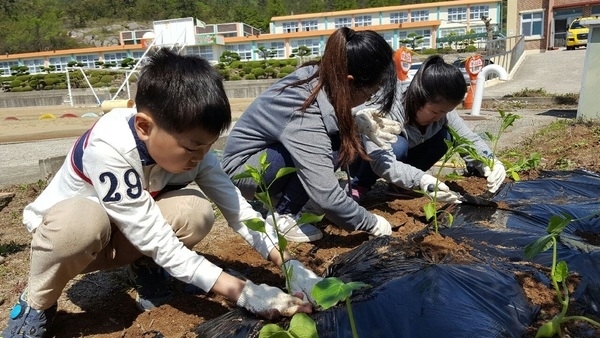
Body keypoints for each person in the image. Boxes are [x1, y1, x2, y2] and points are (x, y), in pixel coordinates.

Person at [1, 48, 322, 338]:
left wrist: (288, 264)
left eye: (208, 146)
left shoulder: (195, 153)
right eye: (192, 146)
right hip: (72, 244)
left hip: (128, 235)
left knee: (195, 212)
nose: (200, 156)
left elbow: (238, 210)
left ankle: (145, 268)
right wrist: (244, 291)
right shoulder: (109, 145)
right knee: (80, 223)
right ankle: (36, 303)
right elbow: (155, 237)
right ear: (144, 127)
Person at [221, 27, 401, 242]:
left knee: (333, 138)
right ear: (349, 81)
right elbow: (327, 197)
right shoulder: (302, 105)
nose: (366, 100)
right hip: (244, 172)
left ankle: (289, 201)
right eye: (368, 94)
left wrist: (354, 123)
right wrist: (370, 223)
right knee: (332, 142)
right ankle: (283, 215)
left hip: (267, 158)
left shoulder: (323, 77)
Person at [347, 54, 506, 203]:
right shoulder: (389, 107)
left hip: (399, 158)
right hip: (365, 157)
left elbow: (467, 138)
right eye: (435, 112)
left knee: (446, 136)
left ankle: (400, 186)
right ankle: (360, 184)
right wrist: (420, 179)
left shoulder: (441, 110)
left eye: (446, 112)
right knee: (398, 146)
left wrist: (491, 162)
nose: (439, 117)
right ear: (417, 98)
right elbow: (380, 160)